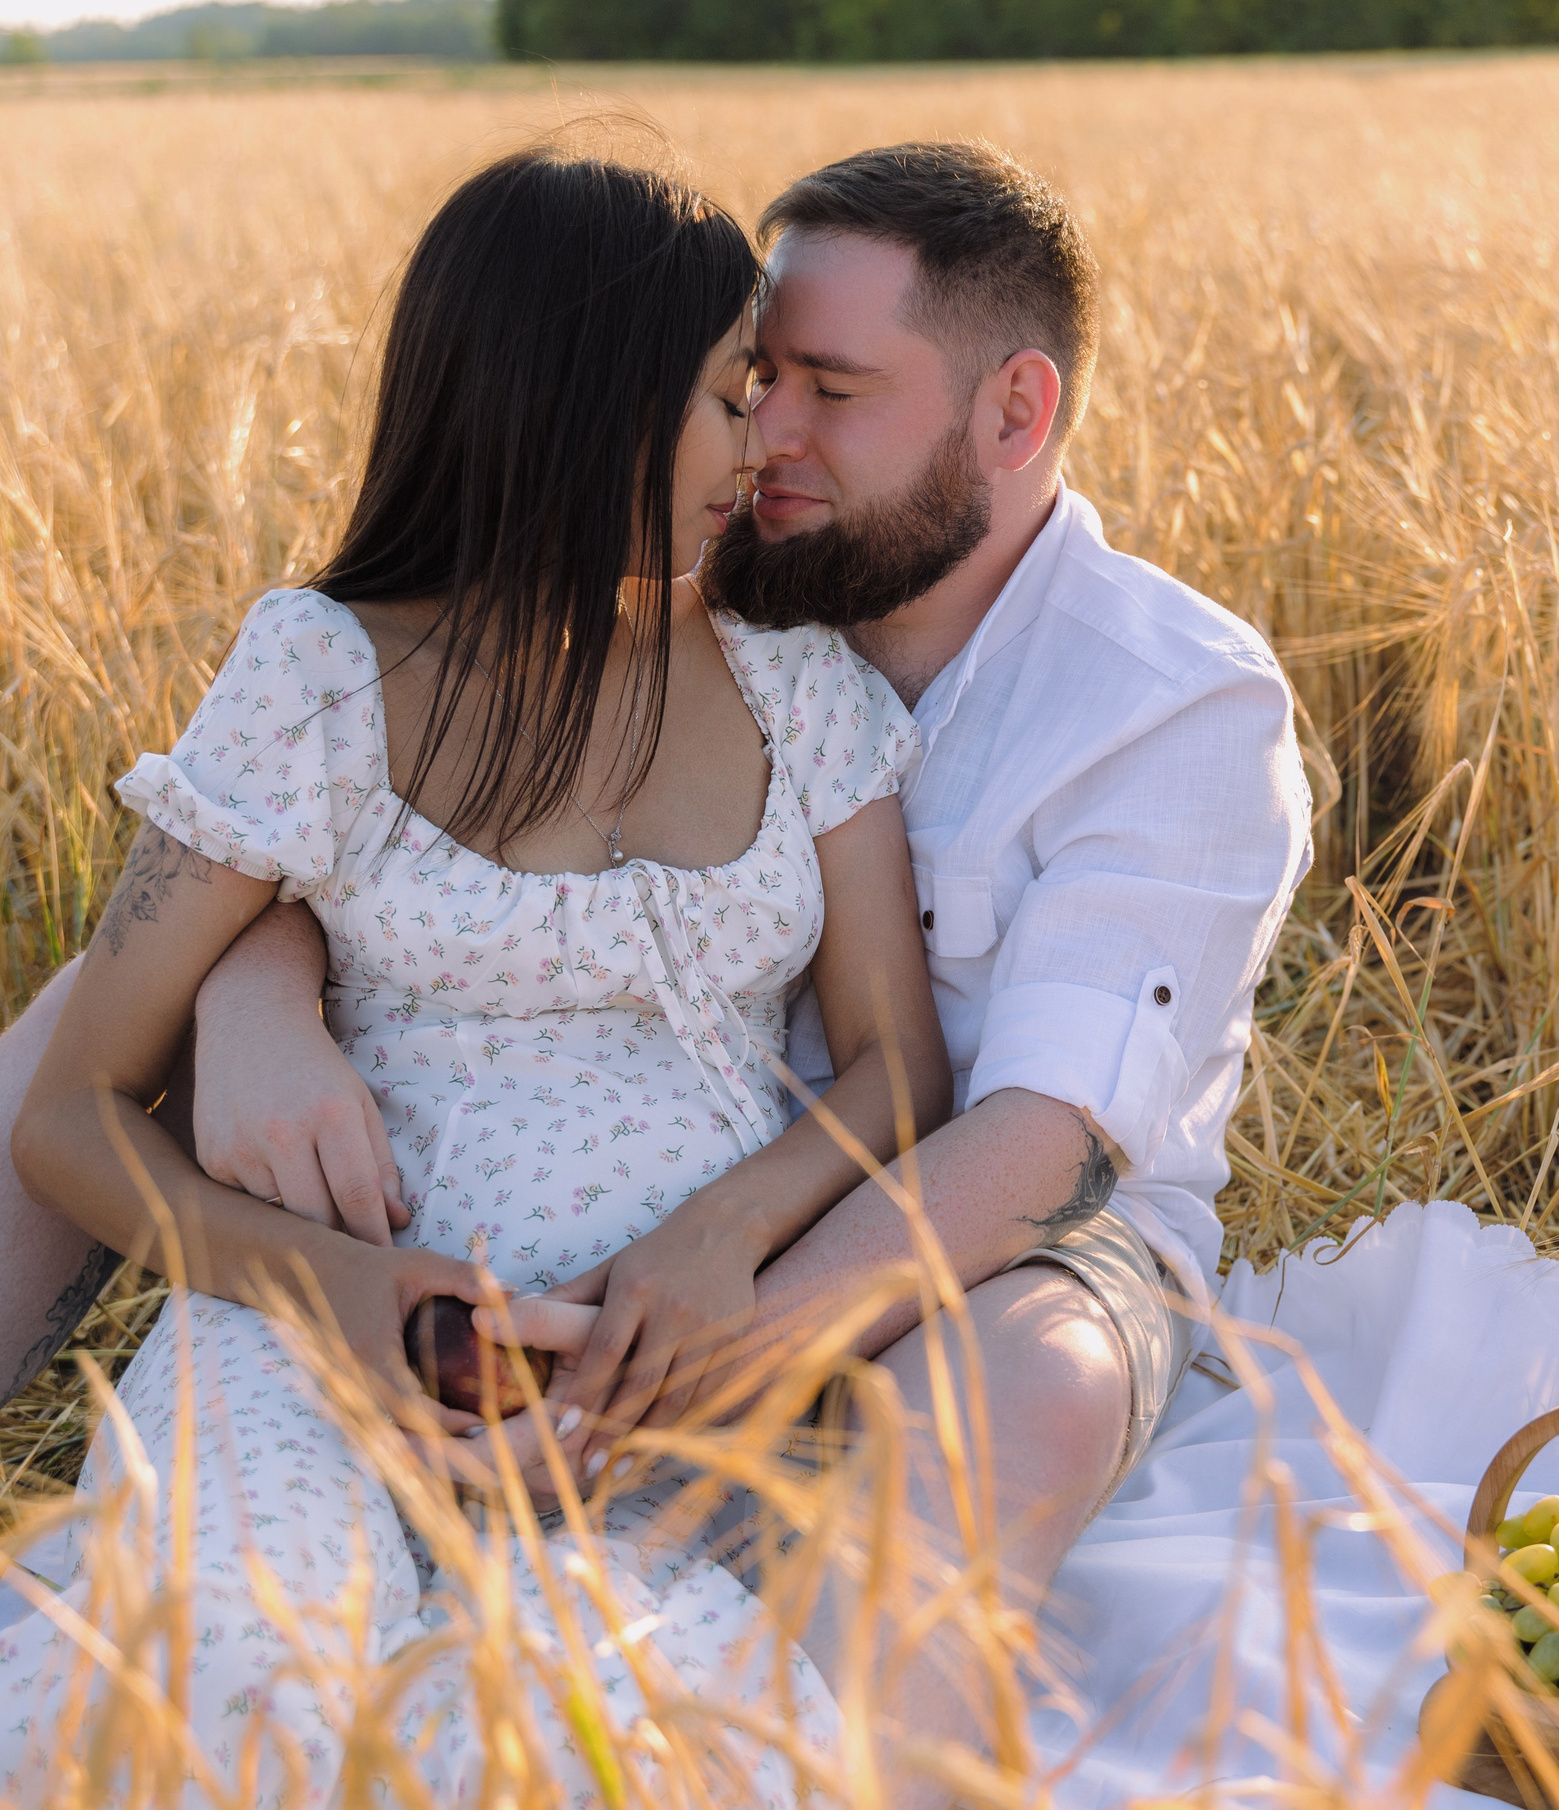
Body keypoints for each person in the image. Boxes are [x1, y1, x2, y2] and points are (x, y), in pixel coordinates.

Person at [0, 139, 1313, 1794]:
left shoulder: (1162, 701)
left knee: (986, 1419)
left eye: (826, 388)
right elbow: (385, 729)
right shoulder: (737, 563)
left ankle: (864, 1760)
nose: (773, 438)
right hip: (396, 1279)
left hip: (976, 1240)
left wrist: (684, 1331)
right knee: (233, 1655)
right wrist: (254, 981)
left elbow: (1035, 1141)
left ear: (1013, 413)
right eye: (753, 382)